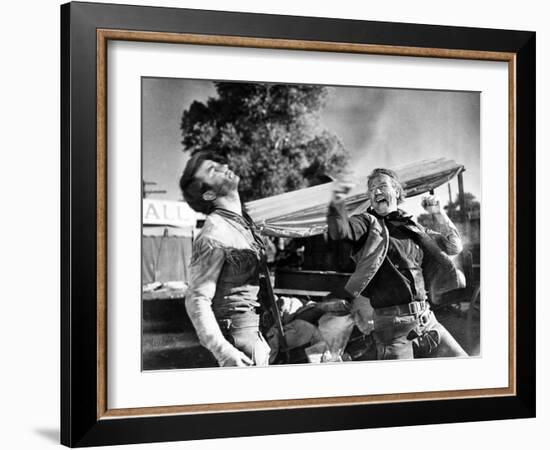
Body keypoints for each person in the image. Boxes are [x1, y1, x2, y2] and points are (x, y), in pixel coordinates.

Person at [327, 168, 467, 360]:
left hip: (428, 321)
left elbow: (453, 247)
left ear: (397, 192)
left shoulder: (412, 227)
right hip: (393, 330)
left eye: (382, 186)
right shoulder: (367, 223)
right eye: (372, 189)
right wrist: (337, 196)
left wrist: (438, 213)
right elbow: (340, 230)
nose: (376, 192)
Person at [179, 151, 271, 367]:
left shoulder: (240, 224)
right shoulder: (214, 233)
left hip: (253, 331)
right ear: (208, 195)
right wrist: (223, 351)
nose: (224, 166)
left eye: (218, 163)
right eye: (212, 170)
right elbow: (196, 299)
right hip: (238, 340)